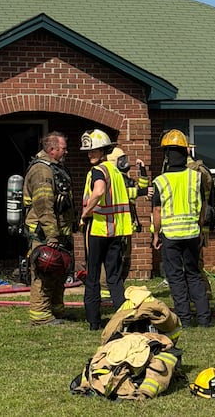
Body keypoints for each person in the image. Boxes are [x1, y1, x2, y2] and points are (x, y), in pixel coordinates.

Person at [151, 129, 213, 328]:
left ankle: (184, 319)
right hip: (192, 234)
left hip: (170, 235)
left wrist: (155, 234)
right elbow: (202, 206)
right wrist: (201, 229)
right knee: (194, 275)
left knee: (176, 277)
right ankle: (204, 318)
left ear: (166, 154)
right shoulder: (195, 178)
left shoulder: (160, 181)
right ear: (185, 152)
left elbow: (157, 211)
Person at [80, 129, 133, 330]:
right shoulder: (116, 172)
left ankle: (94, 321)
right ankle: (123, 319)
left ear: (103, 150)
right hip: (117, 231)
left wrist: (85, 212)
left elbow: (99, 191)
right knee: (114, 277)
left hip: (98, 229)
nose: (90, 154)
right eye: (89, 151)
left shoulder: (98, 172)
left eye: (94, 150)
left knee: (92, 276)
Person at [23, 131, 77, 326]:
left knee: (59, 271)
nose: (66, 151)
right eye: (63, 148)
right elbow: (44, 204)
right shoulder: (42, 171)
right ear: (52, 149)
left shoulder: (55, 168)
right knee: (45, 272)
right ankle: (40, 315)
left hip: (60, 231)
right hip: (44, 233)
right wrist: (52, 235)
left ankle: (56, 309)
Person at [98, 147, 150, 301]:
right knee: (112, 258)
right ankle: (105, 291)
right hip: (114, 225)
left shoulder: (124, 178)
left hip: (126, 225)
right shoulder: (112, 179)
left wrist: (143, 171)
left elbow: (142, 188)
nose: (125, 163)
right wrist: (142, 192)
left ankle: (117, 287)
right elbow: (126, 193)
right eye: (122, 159)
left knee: (125, 259)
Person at [186, 144, 215, 299]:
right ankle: (198, 293)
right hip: (191, 223)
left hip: (197, 223)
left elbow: (204, 186)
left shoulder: (198, 171)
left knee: (195, 262)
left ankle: (203, 293)